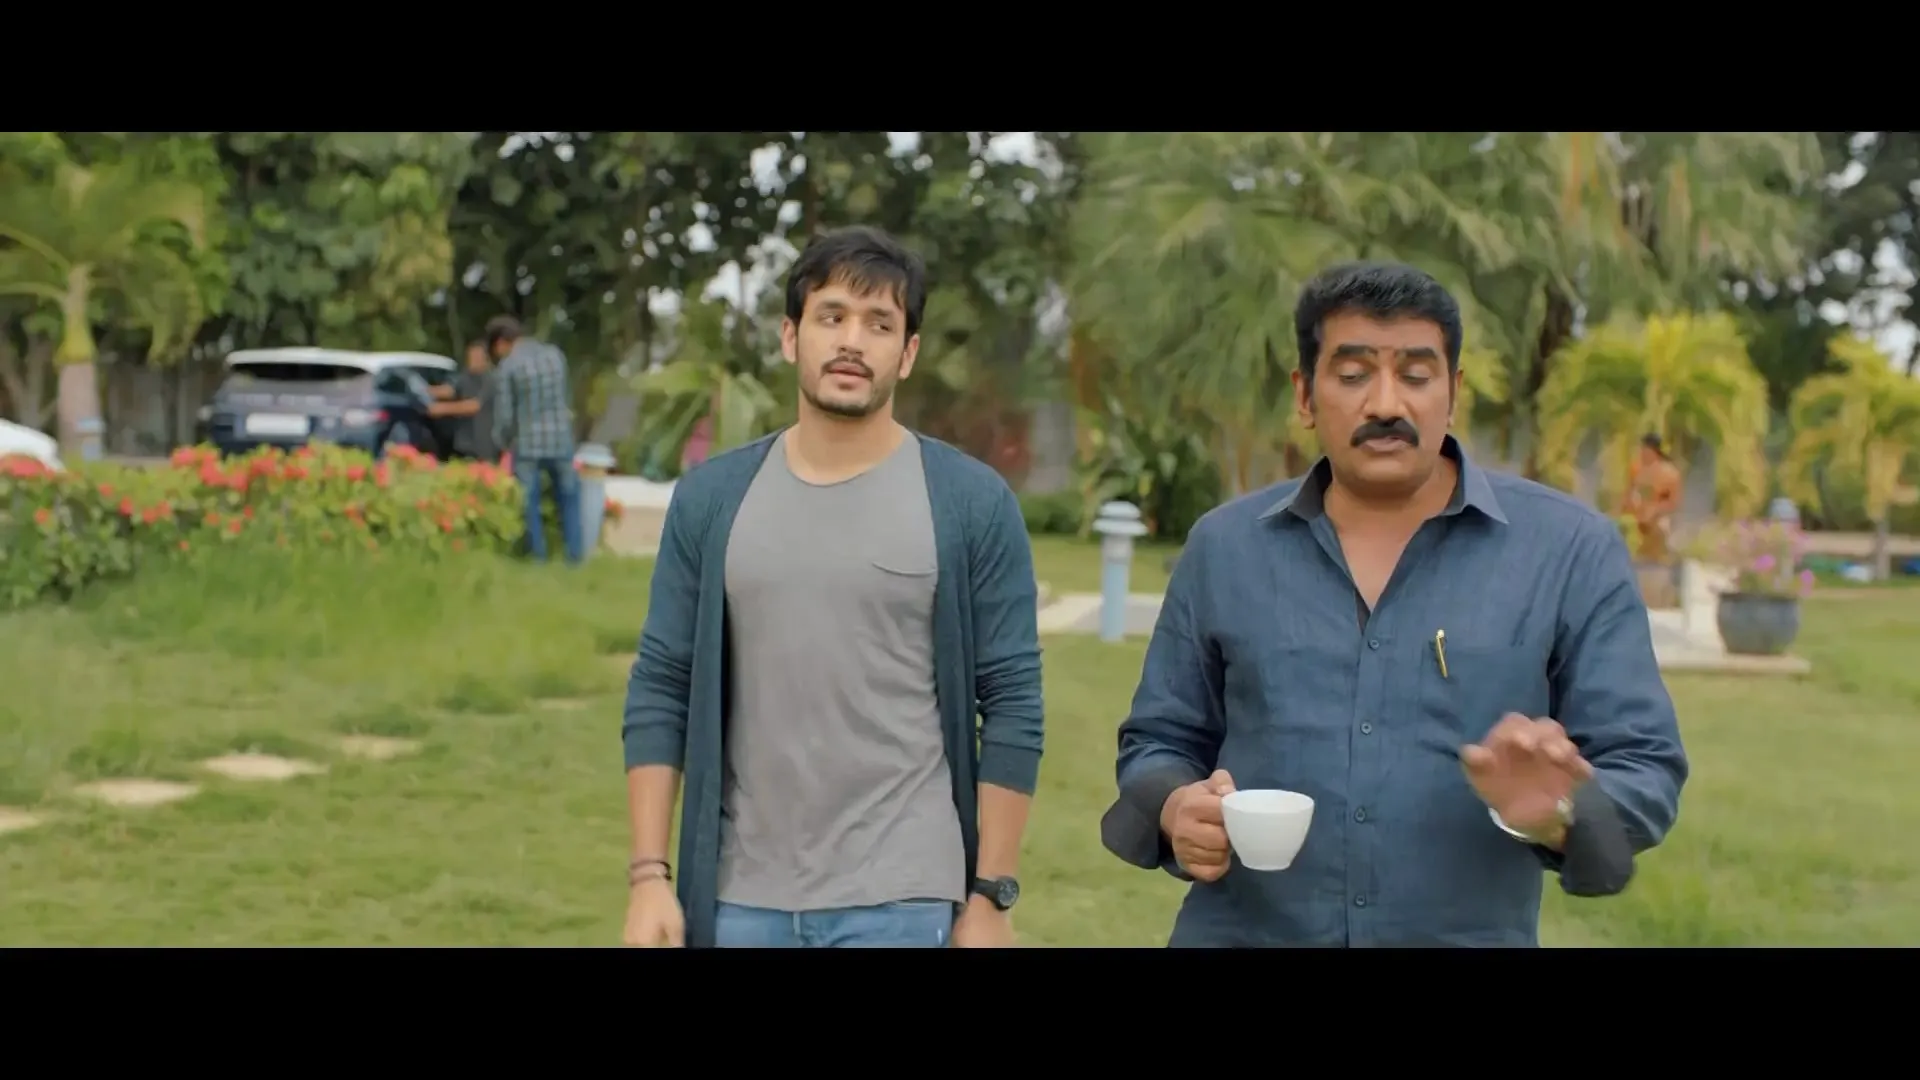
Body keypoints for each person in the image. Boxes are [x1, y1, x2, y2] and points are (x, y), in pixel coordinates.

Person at [1100, 261, 1689, 948]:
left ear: (1453, 393)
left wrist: (1557, 814)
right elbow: (1159, 740)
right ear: (1305, 395)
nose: (1386, 404)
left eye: (1415, 375)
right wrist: (1177, 806)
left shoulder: (1567, 550)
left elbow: (1643, 764)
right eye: (1353, 375)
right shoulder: (1224, 548)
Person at [620, 225, 1043, 949]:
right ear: (791, 337)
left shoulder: (971, 504)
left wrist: (991, 897)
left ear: (907, 353)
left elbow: (1012, 702)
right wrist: (648, 877)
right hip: (739, 897)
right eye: (832, 316)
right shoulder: (712, 501)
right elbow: (663, 683)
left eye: (879, 324)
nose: (852, 341)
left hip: (903, 896)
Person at [487, 315, 584, 564]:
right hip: (561, 439)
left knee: (528, 502)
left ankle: (537, 556)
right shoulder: (555, 355)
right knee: (569, 498)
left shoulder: (509, 366)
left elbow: (506, 415)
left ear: (500, 343)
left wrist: (502, 442)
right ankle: (575, 556)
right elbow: (566, 396)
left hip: (528, 443)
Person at [428, 339, 500, 463]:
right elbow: (449, 390)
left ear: (486, 358)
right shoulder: (466, 375)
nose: (472, 360)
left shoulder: (492, 379)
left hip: (484, 446)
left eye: (476, 357)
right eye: (470, 357)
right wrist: (423, 390)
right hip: (464, 443)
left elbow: (473, 406)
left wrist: (440, 409)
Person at [1622, 433, 1682, 563]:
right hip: (1636, 518)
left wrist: (1655, 510)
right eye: (1642, 450)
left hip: (1657, 519)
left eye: (1646, 450)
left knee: (1661, 529)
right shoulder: (1636, 468)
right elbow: (1628, 493)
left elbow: (1673, 503)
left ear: (1655, 452)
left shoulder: (1670, 473)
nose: (1643, 454)